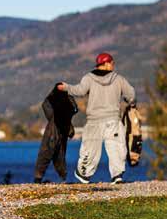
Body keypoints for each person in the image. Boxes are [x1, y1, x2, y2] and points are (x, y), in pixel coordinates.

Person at [57, 52, 135, 184]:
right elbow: (131, 94)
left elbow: (79, 91)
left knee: (90, 149)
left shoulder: (89, 78)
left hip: (94, 121)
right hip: (112, 120)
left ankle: (84, 174)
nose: (113, 65)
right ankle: (117, 176)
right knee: (116, 147)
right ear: (105, 64)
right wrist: (131, 103)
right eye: (112, 63)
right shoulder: (118, 79)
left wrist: (65, 87)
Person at [34, 85, 78, 183]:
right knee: (47, 153)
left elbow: (74, 109)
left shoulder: (62, 99)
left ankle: (60, 177)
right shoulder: (53, 99)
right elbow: (74, 109)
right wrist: (55, 118)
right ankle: (40, 177)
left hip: (59, 129)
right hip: (55, 130)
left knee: (57, 154)